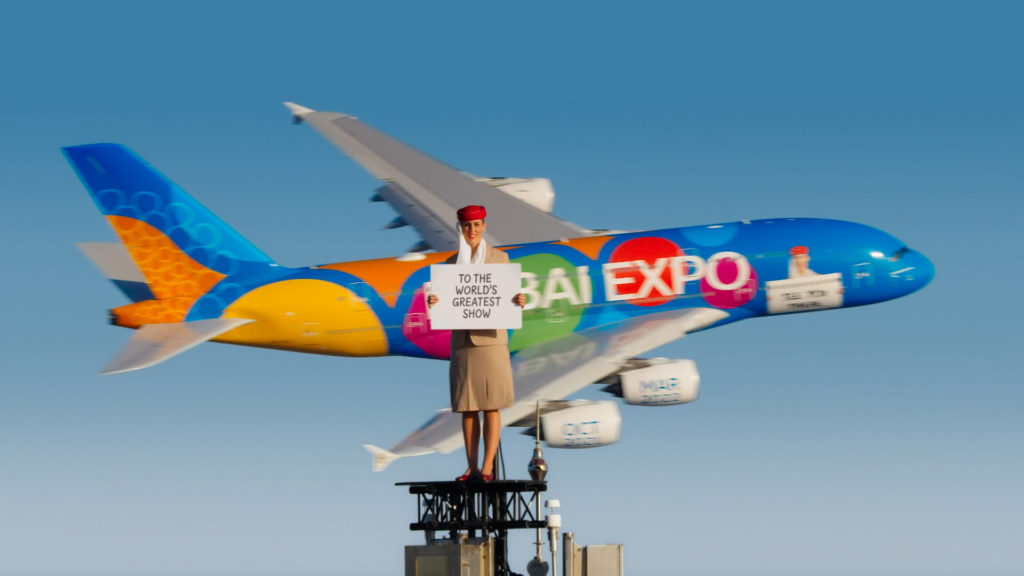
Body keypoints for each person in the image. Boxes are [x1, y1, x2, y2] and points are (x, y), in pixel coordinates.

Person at [428, 205, 525, 481]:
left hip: (492, 341)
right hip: (463, 341)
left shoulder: (500, 260)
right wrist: (434, 303)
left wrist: (519, 301)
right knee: (467, 407)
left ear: (484, 226)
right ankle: (471, 466)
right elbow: (445, 305)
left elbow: (509, 297)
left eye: (476, 225)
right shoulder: (450, 265)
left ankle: (487, 467)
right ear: (461, 228)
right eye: (467, 226)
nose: (471, 230)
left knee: (491, 404)